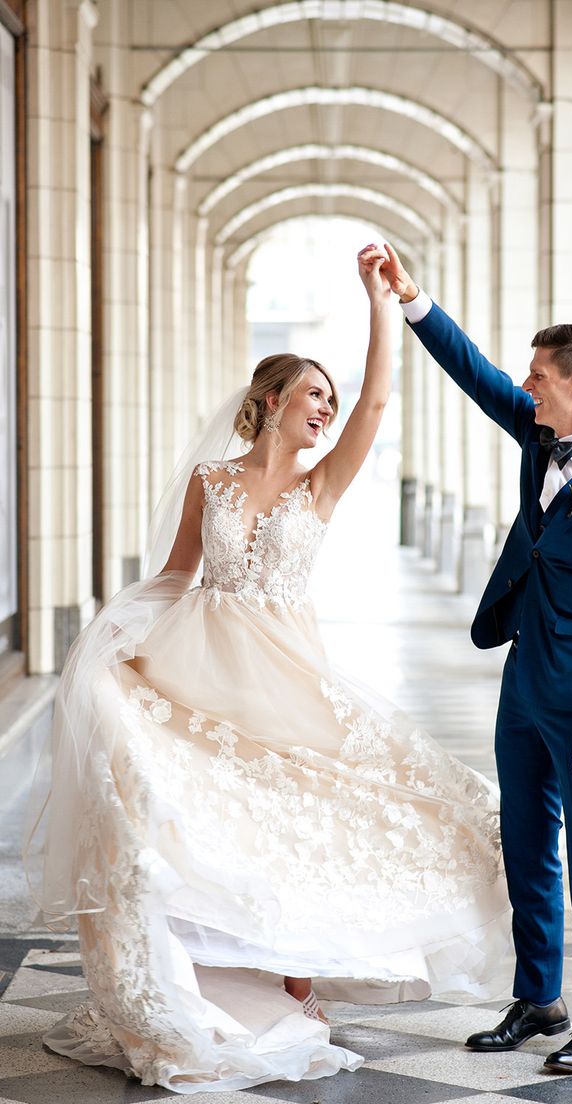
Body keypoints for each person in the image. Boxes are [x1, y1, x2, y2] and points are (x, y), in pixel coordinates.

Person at [24, 245, 511, 1094]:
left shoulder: (320, 486)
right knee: (200, 814)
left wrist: (380, 299)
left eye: (330, 396)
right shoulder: (212, 481)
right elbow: (180, 576)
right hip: (198, 662)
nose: (326, 407)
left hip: (283, 669)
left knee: (302, 814)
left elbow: (380, 397)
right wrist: (117, 635)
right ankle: (197, 975)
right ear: (272, 402)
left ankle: (298, 977)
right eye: (313, 394)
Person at [370, 243, 572, 1074]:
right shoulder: (536, 438)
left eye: (539, 375)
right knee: (527, 846)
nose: (526, 384)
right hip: (522, 688)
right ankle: (539, 999)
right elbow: (474, 375)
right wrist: (412, 298)